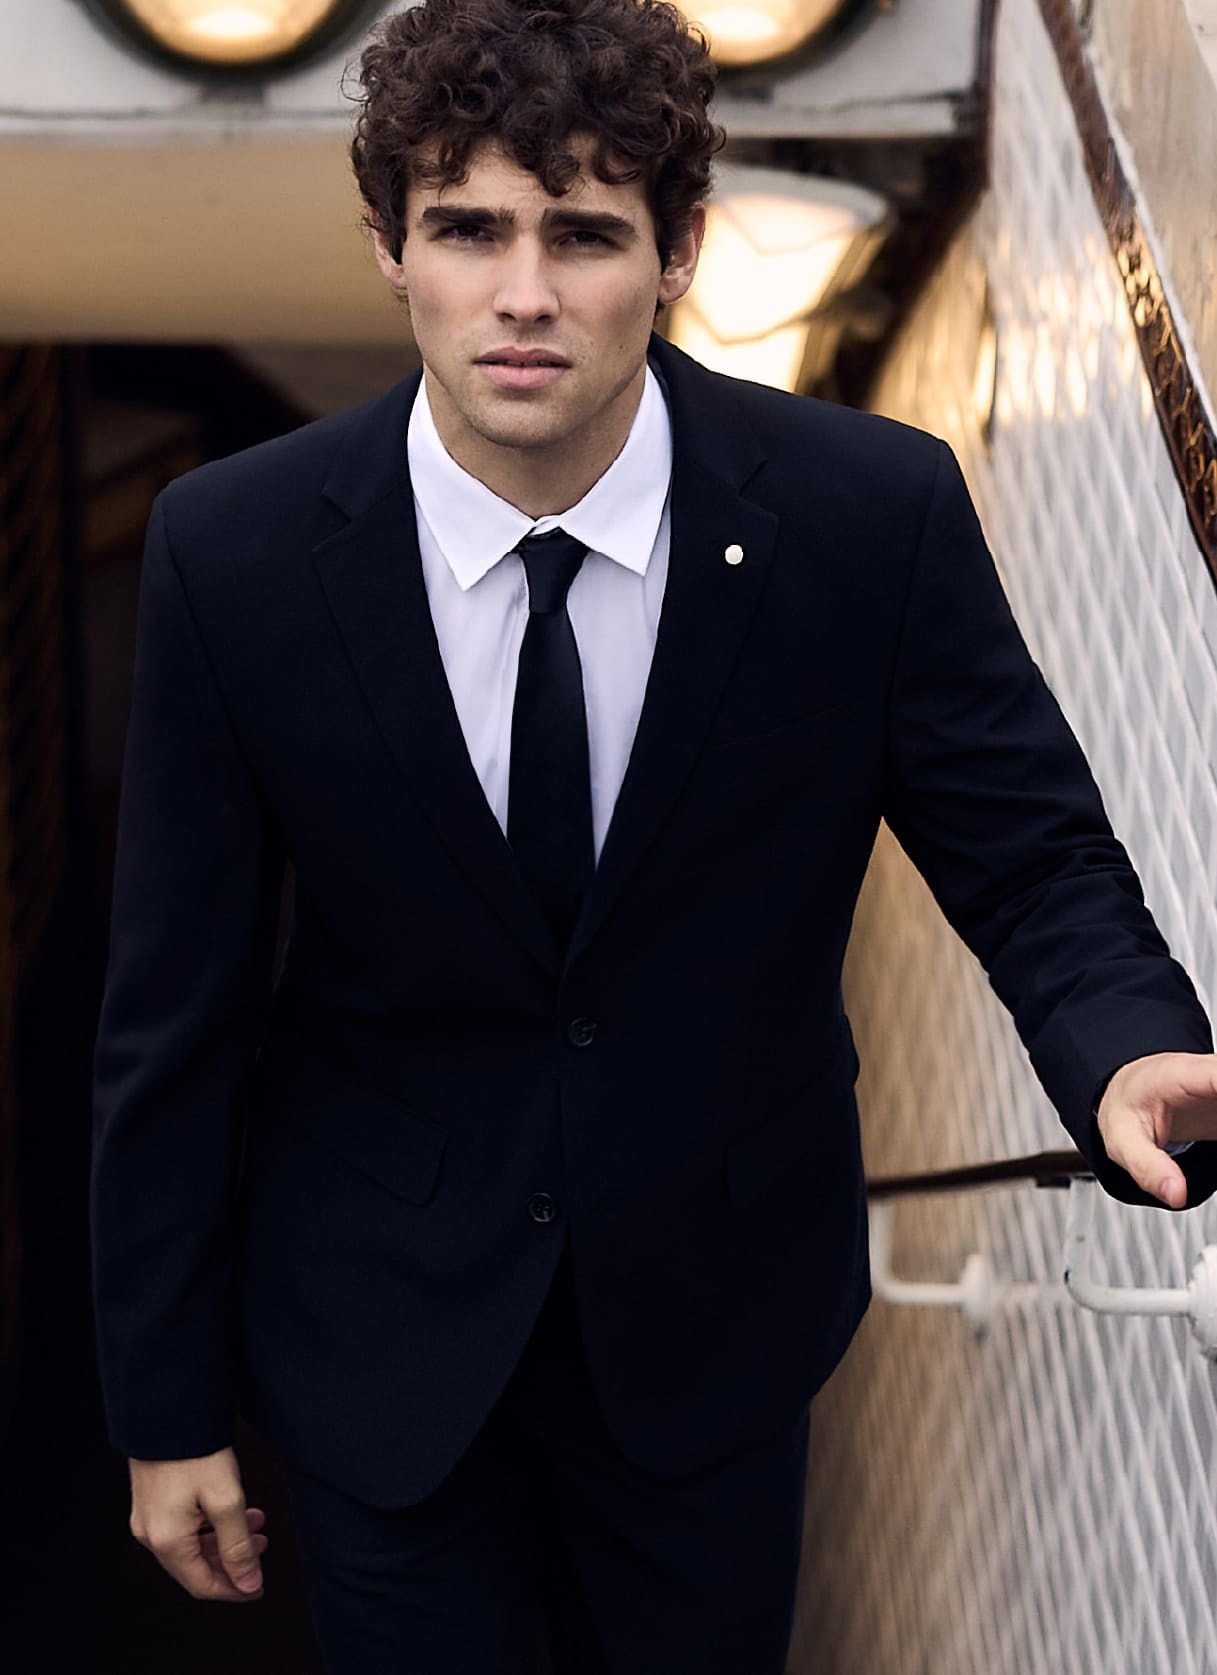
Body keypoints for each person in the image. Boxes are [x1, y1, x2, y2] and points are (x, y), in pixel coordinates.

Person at [90, 0, 1217, 1669]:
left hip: (717, 1321)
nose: (522, 294)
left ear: (680, 249)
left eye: (582, 234)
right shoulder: (233, 551)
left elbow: (1029, 850)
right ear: (390, 248)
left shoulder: (864, 513)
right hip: (378, 1327)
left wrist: (1121, 1046)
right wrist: (165, 1409)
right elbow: (171, 1018)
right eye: (467, 230)